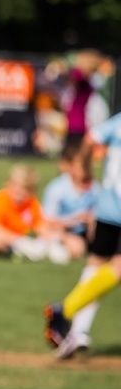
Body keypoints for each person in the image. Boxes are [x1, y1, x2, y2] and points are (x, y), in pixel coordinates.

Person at [45, 113, 121, 358]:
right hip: (112, 210)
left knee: (97, 266)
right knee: (113, 267)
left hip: (107, 208)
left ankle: (77, 332)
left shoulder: (118, 122)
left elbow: (90, 139)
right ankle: (65, 311)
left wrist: (86, 165)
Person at [0, 164, 75, 263]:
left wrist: (52, 242)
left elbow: (40, 225)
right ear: (8, 184)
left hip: (21, 240)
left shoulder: (31, 203)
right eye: (16, 187)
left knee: (71, 243)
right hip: (2, 241)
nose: (19, 192)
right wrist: (21, 242)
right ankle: (18, 251)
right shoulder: (0, 201)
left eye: (24, 189)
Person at [42, 144, 97, 248]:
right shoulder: (57, 188)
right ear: (70, 166)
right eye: (82, 165)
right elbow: (47, 221)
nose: (86, 169)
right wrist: (75, 220)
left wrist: (92, 220)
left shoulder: (95, 188)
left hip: (85, 233)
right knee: (76, 246)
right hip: (62, 232)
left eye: (88, 164)